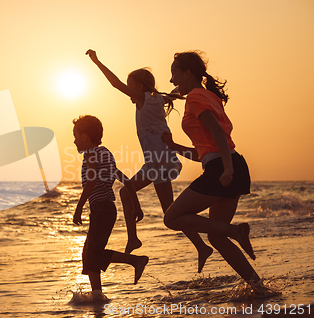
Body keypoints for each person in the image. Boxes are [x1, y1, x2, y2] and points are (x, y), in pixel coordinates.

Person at [86, 49, 213, 273]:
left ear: (141, 87)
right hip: (161, 160)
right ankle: (202, 247)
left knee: (126, 192)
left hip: (158, 161)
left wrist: (97, 62)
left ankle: (133, 237)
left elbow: (115, 84)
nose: (128, 91)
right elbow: (175, 93)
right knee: (170, 211)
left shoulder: (145, 99)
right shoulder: (158, 99)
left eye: (131, 86)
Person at [161, 50, 260, 285]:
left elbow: (216, 132)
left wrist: (226, 169)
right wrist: (174, 146)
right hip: (231, 163)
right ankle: (259, 287)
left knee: (172, 218)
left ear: (187, 73)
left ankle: (236, 231)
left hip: (223, 167)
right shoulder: (206, 96)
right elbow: (205, 152)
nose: (171, 80)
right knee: (216, 236)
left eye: (174, 74)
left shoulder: (196, 98)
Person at [72, 115, 149, 297]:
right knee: (88, 253)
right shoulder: (106, 153)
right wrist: (136, 207)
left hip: (101, 209)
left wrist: (78, 207)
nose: (74, 141)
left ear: (84, 137)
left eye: (75, 136)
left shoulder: (91, 154)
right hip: (106, 210)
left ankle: (136, 261)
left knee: (93, 253)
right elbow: (127, 181)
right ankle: (97, 296)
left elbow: (91, 182)